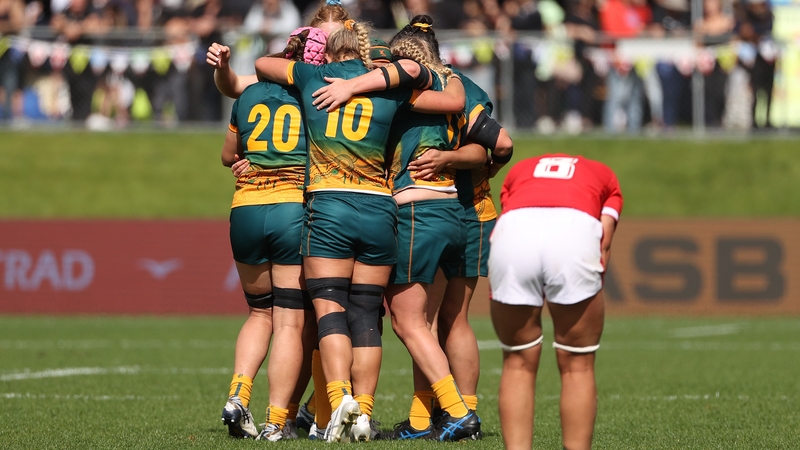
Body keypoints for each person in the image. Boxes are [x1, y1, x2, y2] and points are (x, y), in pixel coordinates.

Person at [254, 18, 465, 443]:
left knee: (329, 306)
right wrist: (368, 79)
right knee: (367, 313)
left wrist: (304, 60)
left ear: (330, 53)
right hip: (379, 210)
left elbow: (263, 65)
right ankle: (364, 414)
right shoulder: (388, 86)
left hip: (330, 206)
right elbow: (434, 86)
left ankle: (338, 401)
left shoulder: (314, 75)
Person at [218, 27, 326, 442]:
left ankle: (237, 395)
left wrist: (248, 158)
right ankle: (276, 421)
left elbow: (228, 156)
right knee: (288, 321)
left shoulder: (247, 95)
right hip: (290, 208)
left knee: (257, 313)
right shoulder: (314, 95)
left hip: (245, 208)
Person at [488, 154, 623, 450]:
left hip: (515, 231)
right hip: (573, 230)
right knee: (578, 364)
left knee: (517, 361)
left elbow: (507, 217)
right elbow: (605, 243)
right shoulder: (605, 175)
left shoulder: (519, 171)